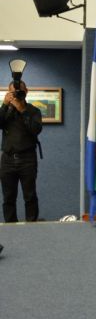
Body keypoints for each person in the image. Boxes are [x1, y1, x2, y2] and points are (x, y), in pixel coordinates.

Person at [0, 80, 43, 222]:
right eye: (13, 92)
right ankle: (10, 227)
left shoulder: (33, 111)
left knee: (30, 196)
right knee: (8, 197)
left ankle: (32, 227)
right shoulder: (6, 110)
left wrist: (22, 110)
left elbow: (36, 129)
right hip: (7, 159)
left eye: (20, 92)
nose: (17, 95)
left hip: (27, 159)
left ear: (26, 92)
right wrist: (4, 104)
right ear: (9, 93)